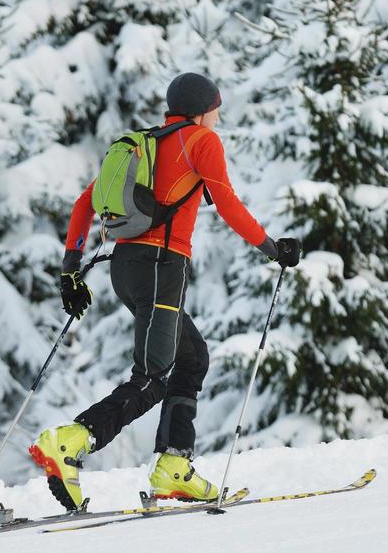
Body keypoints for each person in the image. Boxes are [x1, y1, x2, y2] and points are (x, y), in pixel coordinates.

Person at [28, 72, 300, 511]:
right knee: (152, 377)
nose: (217, 116)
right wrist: (273, 249)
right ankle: (70, 441)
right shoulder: (201, 141)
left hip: (126, 267)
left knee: (192, 357)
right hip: (161, 266)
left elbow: (84, 204)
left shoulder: (145, 145)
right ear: (202, 109)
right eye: (216, 108)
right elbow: (226, 202)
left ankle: (173, 466)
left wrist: (70, 272)